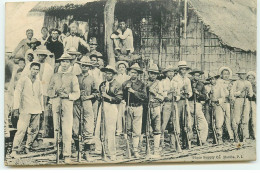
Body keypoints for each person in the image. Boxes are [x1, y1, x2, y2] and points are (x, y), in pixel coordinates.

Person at [47, 53, 80, 163]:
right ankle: (57, 151)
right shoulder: (55, 75)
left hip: (67, 103)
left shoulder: (73, 76)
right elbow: (49, 90)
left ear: (70, 63)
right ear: (60, 63)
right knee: (56, 127)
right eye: (62, 61)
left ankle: (67, 154)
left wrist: (67, 95)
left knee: (66, 129)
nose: (64, 63)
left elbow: (77, 93)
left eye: (66, 61)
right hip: (56, 102)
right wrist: (55, 92)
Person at [10, 62, 44, 158]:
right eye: (34, 69)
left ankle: (27, 146)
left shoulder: (38, 82)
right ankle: (14, 150)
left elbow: (40, 95)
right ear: (30, 69)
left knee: (34, 130)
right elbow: (17, 93)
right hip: (25, 109)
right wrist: (16, 108)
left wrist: (42, 109)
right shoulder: (23, 80)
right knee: (21, 129)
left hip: (36, 109)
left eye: (37, 69)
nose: (35, 71)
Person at [72, 56, 99, 161]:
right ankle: (78, 150)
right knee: (75, 127)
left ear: (89, 67)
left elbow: (96, 93)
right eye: (82, 65)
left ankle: (86, 152)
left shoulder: (92, 79)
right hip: (76, 103)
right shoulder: (75, 77)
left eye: (86, 66)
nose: (84, 67)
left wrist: (88, 97)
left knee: (88, 127)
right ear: (80, 66)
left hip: (87, 104)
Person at [97, 65, 123, 161]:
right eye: (106, 73)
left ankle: (112, 153)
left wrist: (107, 96)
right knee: (101, 128)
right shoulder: (102, 84)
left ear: (113, 75)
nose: (107, 75)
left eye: (110, 73)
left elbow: (119, 99)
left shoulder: (117, 84)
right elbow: (100, 96)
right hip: (103, 106)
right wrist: (99, 96)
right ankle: (102, 149)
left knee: (111, 130)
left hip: (112, 107)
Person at [122, 63, 146, 158]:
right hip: (128, 106)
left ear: (138, 74)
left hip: (138, 107)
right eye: (132, 72)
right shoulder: (125, 83)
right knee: (127, 129)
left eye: (135, 73)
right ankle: (128, 148)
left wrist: (133, 91)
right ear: (129, 73)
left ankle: (135, 149)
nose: (133, 74)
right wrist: (125, 89)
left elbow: (144, 96)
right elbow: (122, 97)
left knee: (136, 130)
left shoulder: (141, 84)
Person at [173, 61, 193, 149]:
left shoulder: (187, 79)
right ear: (179, 70)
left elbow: (190, 91)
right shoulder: (175, 79)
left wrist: (188, 94)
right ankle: (178, 142)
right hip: (178, 102)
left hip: (185, 101)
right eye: (182, 69)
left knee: (186, 121)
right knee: (178, 121)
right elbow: (174, 91)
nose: (183, 71)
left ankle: (186, 142)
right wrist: (180, 94)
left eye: (185, 69)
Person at [160, 64, 181, 149]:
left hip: (174, 104)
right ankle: (161, 142)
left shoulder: (176, 83)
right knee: (164, 122)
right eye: (169, 72)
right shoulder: (162, 82)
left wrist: (176, 97)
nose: (171, 73)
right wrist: (168, 93)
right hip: (167, 104)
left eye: (172, 72)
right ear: (166, 73)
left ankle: (174, 143)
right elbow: (161, 93)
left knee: (175, 123)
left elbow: (179, 95)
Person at [146, 63, 164, 157]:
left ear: (157, 75)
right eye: (151, 73)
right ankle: (146, 148)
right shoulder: (144, 83)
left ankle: (156, 149)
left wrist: (154, 93)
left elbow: (162, 98)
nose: (152, 75)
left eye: (154, 73)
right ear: (148, 73)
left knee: (157, 129)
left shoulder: (159, 84)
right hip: (146, 108)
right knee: (146, 129)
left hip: (156, 107)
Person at [232, 69, 253, 142]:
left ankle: (244, 137)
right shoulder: (236, 83)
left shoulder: (248, 83)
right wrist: (241, 91)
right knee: (237, 118)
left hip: (246, 101)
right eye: (241, 74)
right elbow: (233, 93)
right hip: (238, 100)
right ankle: (236, 136)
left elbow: (251, 94)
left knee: (245, 118)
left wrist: (248, 92)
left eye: (244, 74)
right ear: (239, 75)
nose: (243, 75)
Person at [188, 68, 208, 145]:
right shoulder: (188, 82)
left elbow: (205, 97)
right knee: (189, 123)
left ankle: (202, 140)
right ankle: (188, 140)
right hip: (189, 104)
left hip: (198, 104)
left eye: (199, 76)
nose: (198, 77)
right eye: (196, 75)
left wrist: (198, 93)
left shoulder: (201, 85)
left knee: (203, 123)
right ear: (192, 76)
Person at [207, 72, 226, 144]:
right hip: (210, 105)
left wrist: (217, 101)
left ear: (216, 79)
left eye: (213, 79)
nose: (212, 81)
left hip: (217, 105)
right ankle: (213, 138)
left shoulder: (220, 87)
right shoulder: (208, 87)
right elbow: (206, 96)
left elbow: (223, 97)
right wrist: (209, 94)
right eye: (210, 79)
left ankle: (219, 138)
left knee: (219, 122)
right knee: (211, 122)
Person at [217, 67, 235, 142]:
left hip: (227, 103)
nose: (226, 76)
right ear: (221, 75)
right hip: (220, 103)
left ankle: (231, 136)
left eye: (227, 74)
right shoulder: (218, 82)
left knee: (228, 119)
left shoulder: (230, 83)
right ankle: (219, 136)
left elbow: (231, 94)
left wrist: (231, 96)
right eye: (224, 74)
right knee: (220, 120)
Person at [115, 61, 130, 135]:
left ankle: (126, 131)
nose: (121, 69)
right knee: (118, 114)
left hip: (126, 98)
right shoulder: (116, 77)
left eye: (123, 67)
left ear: (125, 69)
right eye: (120, 67)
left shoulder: (128, 77)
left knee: (126, 114)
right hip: (118, 98)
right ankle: (119, 130)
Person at [246, 71, 256, 139]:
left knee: (254, 119)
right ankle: (247, 135)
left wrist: (254, 94)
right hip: (247, 102)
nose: (250, 80)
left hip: (253, 103)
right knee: (246, 118)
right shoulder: (246, 86)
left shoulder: (255, 86)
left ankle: (255, 134)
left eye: (252, 78)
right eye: (249, 78)